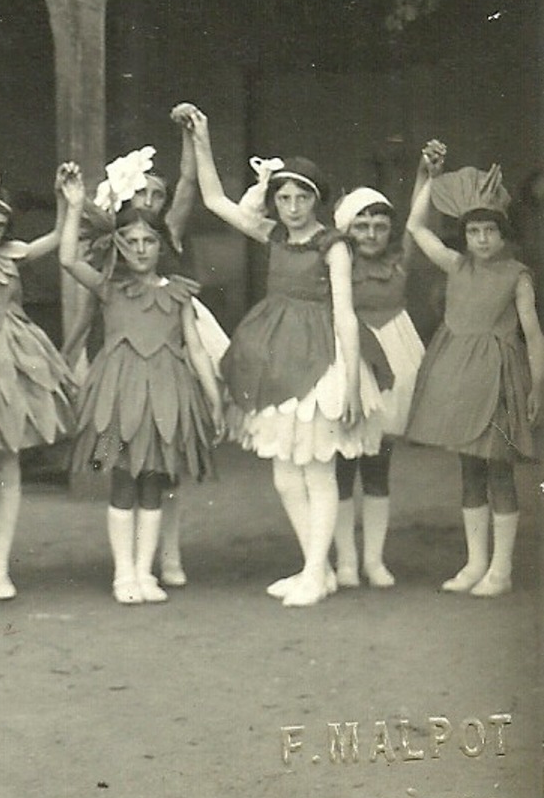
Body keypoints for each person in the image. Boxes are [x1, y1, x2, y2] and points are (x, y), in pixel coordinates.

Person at [183, 103, 385, 608]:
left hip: (321, 356)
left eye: (301, 198)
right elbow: (212, 198)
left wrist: (353, 383)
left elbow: (345, 315)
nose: (292, 206)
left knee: (316, 468)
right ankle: (312, 566)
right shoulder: (272, 234)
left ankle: (318, 573)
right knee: (283, 472)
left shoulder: (333, 246)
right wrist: (201, 136)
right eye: (284, 196)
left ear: (317, 202)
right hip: (274, 351)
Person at [66, 136, 228, 588]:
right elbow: (75, 281)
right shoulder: (107, 269)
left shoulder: (169, 259)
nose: (153, 203)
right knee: (118, 469)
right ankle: (126, 572)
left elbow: (196, 347)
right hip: (116, 382)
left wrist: (214, 399)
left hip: (164, 376)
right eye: (145, 194)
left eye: (159, 195)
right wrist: (67, 360)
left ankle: (156, 565)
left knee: (160, 469)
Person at [403, 142, 543, 597]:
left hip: (500, 378)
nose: (482, 239)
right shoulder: (454, 265)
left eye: (490, 232)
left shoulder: (517, 275)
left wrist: (537, 385)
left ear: (503, 235)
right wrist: (427, 173)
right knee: (469, 470)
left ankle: (500, 570)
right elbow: (414, 225)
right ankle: (474, 562)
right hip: (458, 377)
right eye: (474, 231)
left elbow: (534, 334)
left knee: (498, 470)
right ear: (465, 236)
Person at [0, 163, 76, 602]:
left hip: (15, 355)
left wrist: (66, 199)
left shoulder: (11, 254)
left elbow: (59, 237)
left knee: (9, 462)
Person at [330, 172, 430, 589]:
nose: (371, 233)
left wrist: (427, 176)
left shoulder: (399, 258)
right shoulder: (336, 261)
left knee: (378, 464)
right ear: (346, 228)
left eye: (379, 226)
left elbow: (417, 222)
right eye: (362, 225)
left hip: (393, 357)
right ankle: (346, 561)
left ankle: (373, 559)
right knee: (341, 463)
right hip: (349, 358)